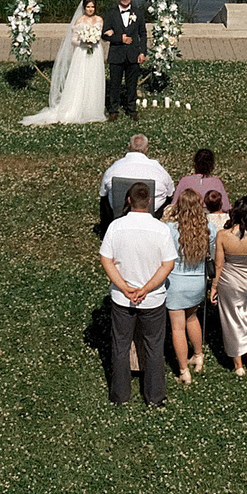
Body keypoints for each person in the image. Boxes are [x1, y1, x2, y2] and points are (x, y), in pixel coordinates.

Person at [99, 182, 178, 405]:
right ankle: (155, 396)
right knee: (154, 347)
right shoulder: (160, 229)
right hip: (152, 299)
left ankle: (120, 396)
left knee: (120, 346)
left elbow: (106, 259)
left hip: (122, 298)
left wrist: (124, 286)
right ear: (150, 202)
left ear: (128, 200)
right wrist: (146, 288)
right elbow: (167, 264)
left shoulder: (116, 227)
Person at [22, 0, 110, 126]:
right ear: (84, 8)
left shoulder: (99, 20)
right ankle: (76, 107)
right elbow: (73, 40)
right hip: (82, 51)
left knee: (94, 77)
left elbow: (103, 35)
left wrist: (98, 37)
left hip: (96, 52)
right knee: (81, 78)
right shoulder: (80, 20)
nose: (90, 9)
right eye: (88, 7)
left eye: (92, 7)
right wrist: (84, 41)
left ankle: (92, 108)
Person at [212, 196, 247, 376]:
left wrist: (213, 287)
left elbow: (219, 264)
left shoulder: (223, 235)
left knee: (231, 320)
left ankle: (238, 364)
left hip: (230, 279)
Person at [165, 187, 210, 382]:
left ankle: (184, 371)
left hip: (176, 283)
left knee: (177, 327)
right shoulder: (208, 229)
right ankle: (198, 355)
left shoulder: (170, 230)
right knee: (192, 318)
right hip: (197, 282)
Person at [100, 136, 173, 228]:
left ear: (129, 146)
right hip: (154, 215)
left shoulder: (114, 168)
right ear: (146, 149)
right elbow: (170, 192)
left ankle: (105, 226)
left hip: (119, 214)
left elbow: (103, 193)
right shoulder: (158, 169)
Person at [102, 0, 149, 116]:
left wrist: (143, 52)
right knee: (115, 84)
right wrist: (119, 38)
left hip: (133, 54)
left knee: (132, 84)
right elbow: (104, 35)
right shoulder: (111, 14)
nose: (125, 0)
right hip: (116, 54)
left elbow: (143, 33)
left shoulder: (138, 13)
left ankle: (131, 109)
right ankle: (113, 109)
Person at [174, 148, 228, 212]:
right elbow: (226, 207)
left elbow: (174, 205)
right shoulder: (217, 182)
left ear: (195, 163)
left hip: (188, 217)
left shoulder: (184, 181)